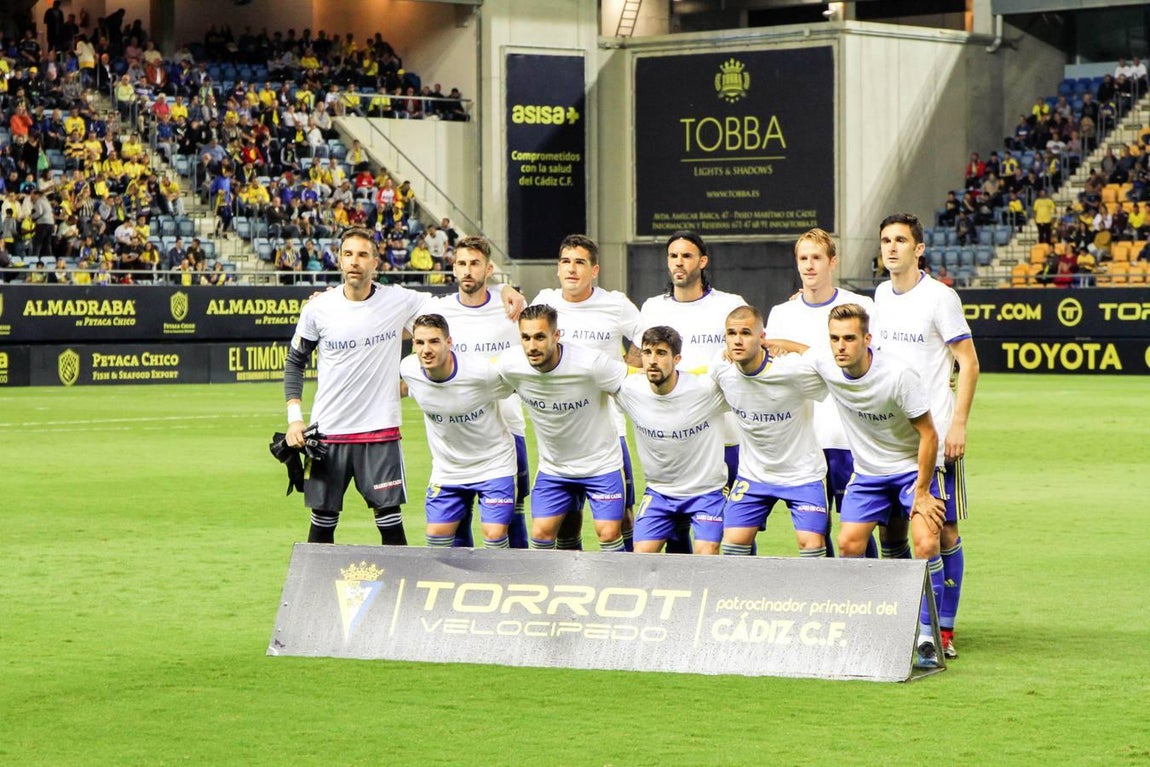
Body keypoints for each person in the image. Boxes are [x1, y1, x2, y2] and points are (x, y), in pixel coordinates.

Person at [282, 226, 524, 545]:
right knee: (321, 523)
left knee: (390, 524)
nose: (354, 261)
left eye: (363, 255)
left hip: (380, 431)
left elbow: (461, 301)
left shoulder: (398, 300)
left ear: (375, 262)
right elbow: (295, 362)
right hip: (327, 433)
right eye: (348, 254)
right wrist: (295, 419)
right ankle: (312, 583)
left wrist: (503, 288)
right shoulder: (318, 307)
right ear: (339, 260)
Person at [805, 302, 947, 668]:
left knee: (927, 542)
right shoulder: (825, 364)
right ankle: (867, 625)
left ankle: (928, 636)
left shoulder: (899, 375)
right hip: (868, 473)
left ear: (867, 339)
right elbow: (798, 353)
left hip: (912, 469)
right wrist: (766, 343)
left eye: (849, 338)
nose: (841, 346)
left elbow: (929, 435)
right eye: (834, 338)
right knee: (849, 544)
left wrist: (922, 491)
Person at [872, 213, 980, 661]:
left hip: (935, 436)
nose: (891, 247)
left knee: (944, 530)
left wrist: (959, 424)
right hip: (892, 439)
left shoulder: (940, 297)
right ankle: (909, 617)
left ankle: (943, 628)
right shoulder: (880, 295)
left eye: (901, 240)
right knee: (897, 528)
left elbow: (968, 363)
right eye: (886, 240)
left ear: (919, 249)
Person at [765, 228, 876, 557]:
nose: (809, 265)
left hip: (850, 437)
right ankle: (828, 590)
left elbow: (869, 364)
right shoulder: (782, 313)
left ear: (833, 262)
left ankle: (870, 587)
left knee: (857, 531)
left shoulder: (859, 306)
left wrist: (794, 348)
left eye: (817, 257)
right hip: (804, 442)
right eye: (803, 258)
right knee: (815, 530)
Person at [530, 234, 642, 551]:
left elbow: (647, 336)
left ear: (594, 270)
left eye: (580, 262)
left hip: (608, 429)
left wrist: (625, 370)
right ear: (557, 268)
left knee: (621, 518)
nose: (571, 269)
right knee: (566, 519)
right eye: (565, 262)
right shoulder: (544, 303)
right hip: (561, 433)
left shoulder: (615, 304)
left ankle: (629, 573)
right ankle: (573, 576)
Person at [637, 230, 746, 552]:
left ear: (703, 261)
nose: (679, 262)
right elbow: (638, 361)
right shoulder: (652, 308)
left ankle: (741, 578)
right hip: (674, 439)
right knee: (674, 530)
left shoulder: (729, 305)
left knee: (734, 531)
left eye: (686, 255)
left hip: (725, 438)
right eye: (673, 256)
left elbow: (750, 349)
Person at [421, 235, 531, 549]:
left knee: (511, 517)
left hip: (507, 429)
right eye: (461, 264)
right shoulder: (438, 311)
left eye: (475, 263)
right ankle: (462, 577)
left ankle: (519, 575)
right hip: (456, 436)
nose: (468, 270)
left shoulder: (512, 308)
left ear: (489, 269)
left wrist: (507, 289)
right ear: (453, 268)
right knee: (456, 520)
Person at [496, 304, 629, 551]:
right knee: (541, 534)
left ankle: (621, 576)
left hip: (601, 465)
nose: (532, 346)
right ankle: (563, 576)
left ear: (556, 335)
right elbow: (480, 384)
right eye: (525, 337)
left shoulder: (591, 363)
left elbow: (632, 385)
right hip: (554, 468)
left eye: (539, 337)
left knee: (609, 533)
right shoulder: (511, 365)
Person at [711, 305, 830, 558]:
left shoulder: (792, 371)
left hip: (802, 474)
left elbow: (827, 363)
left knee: (811, 545)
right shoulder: (722, 370)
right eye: (731, 334)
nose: (738, 340)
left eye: (746, 333)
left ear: (762, 337)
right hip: (754, 475)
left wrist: (784, 344)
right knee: (732, 544)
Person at [399, 314, 517, 549]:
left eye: (434, 341)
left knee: (494, 536)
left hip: (493, 464)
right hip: (448, 470)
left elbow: (519, 386)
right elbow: (402, 390)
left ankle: (502, 573)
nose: (426, 350)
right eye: (420, 342)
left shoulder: (481, 373)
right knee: (437, 539)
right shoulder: (409, 369)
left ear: (449, 342)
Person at [613, 326, 728, 554]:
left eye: (661, 353)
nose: (652, 361)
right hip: (660, 493)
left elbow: (748, 391)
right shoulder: (629, 390)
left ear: (677, 359)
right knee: (641, 554)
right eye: (647, 353)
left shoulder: (704, 390)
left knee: (707, 554)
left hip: (706, 492)